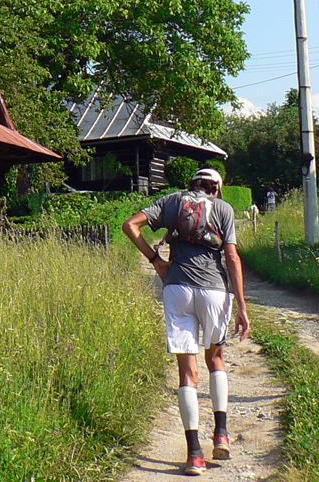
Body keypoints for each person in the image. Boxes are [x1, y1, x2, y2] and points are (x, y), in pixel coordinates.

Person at [123, 168, 250, 476]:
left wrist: (156, 261)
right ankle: (221, 435)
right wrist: (242, 306)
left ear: (192, 185)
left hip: (177, 288)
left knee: (187, 372)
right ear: (216, 188)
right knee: (216, 358)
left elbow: (130, 225)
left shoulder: (172, 201)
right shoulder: (223, 208)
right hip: (214, 290)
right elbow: (232, 257)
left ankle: (194, 454)